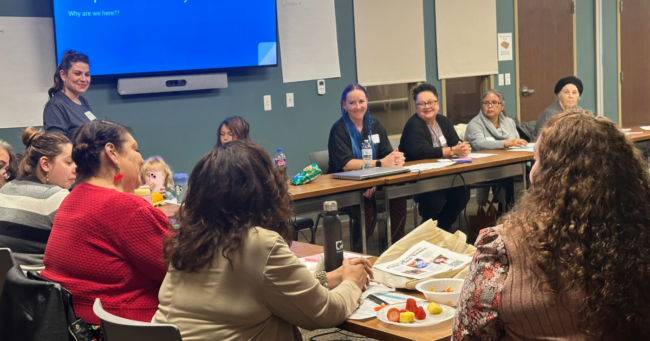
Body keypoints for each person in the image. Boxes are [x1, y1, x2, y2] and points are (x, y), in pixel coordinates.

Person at [453, 110, 650, 340]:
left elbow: (467, 335)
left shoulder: (504, 248)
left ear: (546, 175)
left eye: (536, 160)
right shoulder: (641, 234)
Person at [153, 140, 372, 340]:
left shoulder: (189, 241)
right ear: (265, 191)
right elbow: (326, 312)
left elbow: (262, 287)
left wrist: (326, 278)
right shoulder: (259, 243)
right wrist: (352, 281)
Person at [41, 120, 169, 327]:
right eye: (135, 149)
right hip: (127, 327)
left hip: (70, 325)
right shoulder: (127, 207)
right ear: (112, 153)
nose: (141, 159)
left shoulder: (71, 199)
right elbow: (183, 268)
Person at [327, 83, 406, 248]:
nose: (357, 107)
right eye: (352, 103)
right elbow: (347, 164)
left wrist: (396, 158)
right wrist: (381, 163)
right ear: (344, 105)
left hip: (373, 183)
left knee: (397, 196)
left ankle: (395, 249)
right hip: (345, 187)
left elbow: (387, 154)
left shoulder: (375, 125)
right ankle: (361, 251)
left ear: (367, 101)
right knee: (365, 202)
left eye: (361, 101)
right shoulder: (339, 129)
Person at [399, 83, 471, 231]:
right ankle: (428, 232)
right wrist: (452, 150)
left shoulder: (443, 121)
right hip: (421, 178)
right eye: (422, 104)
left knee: (462, 193)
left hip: (445, 174)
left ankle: (442, 228)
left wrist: (462, 148)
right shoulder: (413, 125)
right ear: (416, 107)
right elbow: (422, 152)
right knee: (435, 200)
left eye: (430, 102)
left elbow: (455, 142)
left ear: (437, 104)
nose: (427, 107)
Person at [0, 127, 76, 266]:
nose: (75, 168)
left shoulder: (6, 189)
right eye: (69, 162)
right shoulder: (55, 197)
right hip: (40, 283)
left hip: (8, 283)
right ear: (45, 164)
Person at [465, 89, 527, 211]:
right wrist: (507, 143)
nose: (490, 106)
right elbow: (479, 144)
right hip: (482, 167)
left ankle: (524, 211)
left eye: (494, 102)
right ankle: (507, 213)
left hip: (507, 162)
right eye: (486, 103)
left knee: (530, 173)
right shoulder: (475, 124)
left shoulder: (509, 122)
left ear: (502, 106)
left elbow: (516, 140)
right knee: (506, 177)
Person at [43, 50, 95, 140]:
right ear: (63, 75)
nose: (83, 79)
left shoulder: (83, 101)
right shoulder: (55, 106)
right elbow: (59, 147)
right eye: (77, 73)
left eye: (87, 74)